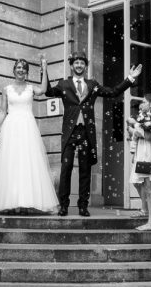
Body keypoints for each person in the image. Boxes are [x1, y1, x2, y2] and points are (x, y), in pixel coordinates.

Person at [45, 52, 142, 216]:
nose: (79, 65)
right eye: (76, 62)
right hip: (70, 132)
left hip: (85, 132)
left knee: (85, 170)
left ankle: (83, 205)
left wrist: (130, 79)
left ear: (85, 66)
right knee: (66, 169)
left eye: (82, 63)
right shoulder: (64, 84)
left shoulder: (93, 84)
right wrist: (43, 71)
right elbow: (48, 92)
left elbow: (112, 92)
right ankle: (64, 206)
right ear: (71, 65)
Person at [0, 57, 59, 214]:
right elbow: (3, 111)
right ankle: (11, 202)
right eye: (18, 67)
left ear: (26, 72)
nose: (20, 70)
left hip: (27, 127)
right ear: (14, 70)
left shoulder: (31, 89)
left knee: (27, 163)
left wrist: (44, 69)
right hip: (11, 128)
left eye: (23, 68)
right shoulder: (6, 89)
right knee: (11, 163)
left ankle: (27, 201)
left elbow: (44, 90)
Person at [126, 93, 151, 230]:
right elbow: (140, 136)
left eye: (143, 101)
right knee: (146, 187)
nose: (140, 104)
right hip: (142, 153)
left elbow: (149, 137)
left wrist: (135, 128)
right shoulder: (144, 117)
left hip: (150, 154)